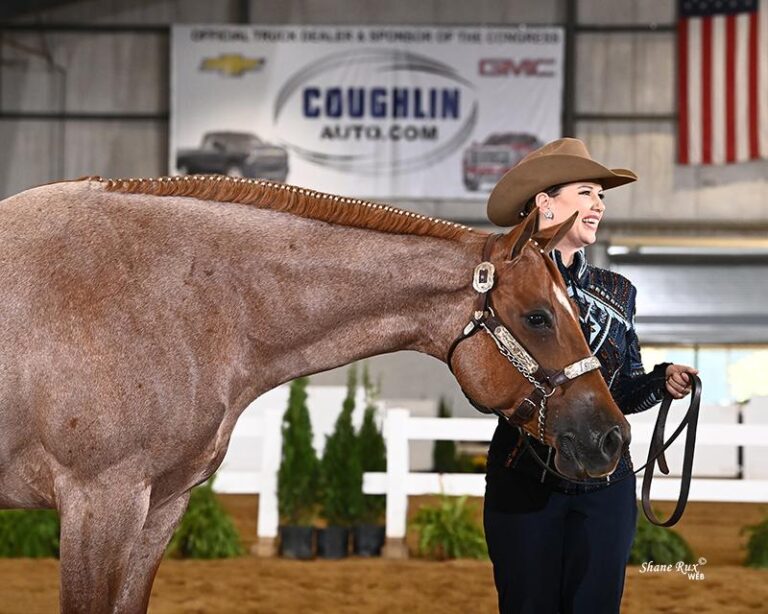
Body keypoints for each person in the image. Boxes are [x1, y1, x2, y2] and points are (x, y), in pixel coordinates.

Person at [483, 138, 698, 614]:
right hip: (526, 478)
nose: (599, 204)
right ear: (545, 202)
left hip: (606, 483)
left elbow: (623, 389)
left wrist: (662, 382)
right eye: (586, 192)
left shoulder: (619, 292)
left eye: (601, 195)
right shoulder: (507, 285)